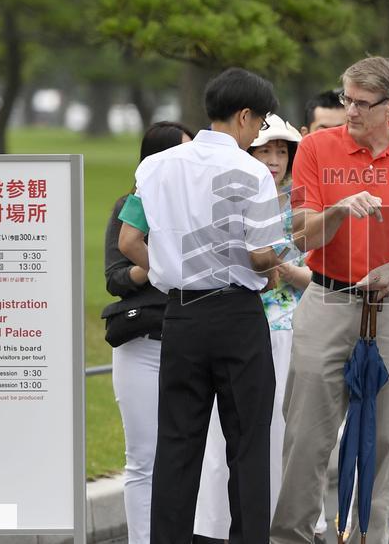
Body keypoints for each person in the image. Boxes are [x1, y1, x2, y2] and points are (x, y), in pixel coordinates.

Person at [270, 56, 389, 544]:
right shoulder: (314, 148)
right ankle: (291, 537)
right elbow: (302, 235)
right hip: (326, 296)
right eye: (345, 98)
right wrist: (337, 209)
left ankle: (369, 536)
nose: (349, 110)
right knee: (306, 434)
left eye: (361, 103)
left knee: (387, 435)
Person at [117, 67, 283, 544]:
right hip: (236, 314)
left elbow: (130, 239)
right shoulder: (252, 171)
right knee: (248, 446)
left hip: (182, 314)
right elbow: (259, 253)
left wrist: (168, 266)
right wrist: (281, 256)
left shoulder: (154, 167)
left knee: (177, 445)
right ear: (244, 115)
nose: (258, 135)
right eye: (260, 124)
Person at [193, 114, 313, 541]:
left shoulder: (298, 209)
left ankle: (272, 525)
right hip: (233, 325)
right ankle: (214, 527)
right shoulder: (226, 198)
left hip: (285, 330)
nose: (275, 160)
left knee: (279, 431)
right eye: (266, 150)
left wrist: (276, 264)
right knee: (219, 434)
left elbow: (313, 278)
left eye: (282, 151)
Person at [102, 121, 192, 544]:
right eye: (181, 154)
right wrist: (155, 262)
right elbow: (116, 278)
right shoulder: (131, 204)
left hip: (194, 344)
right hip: (143, 345)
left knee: (193, 454)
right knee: (143, 458)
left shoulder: (203, 205)